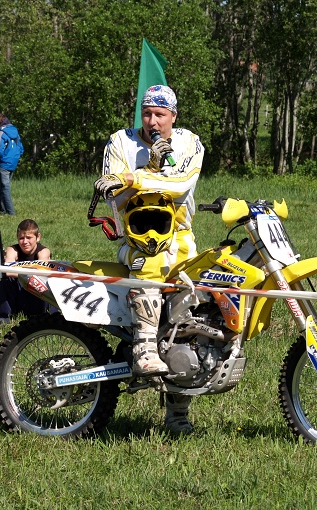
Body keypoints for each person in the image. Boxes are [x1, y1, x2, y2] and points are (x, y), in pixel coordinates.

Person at [94, 85, 204, 433]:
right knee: (151, 260)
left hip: (182, 240)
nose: (152, 121)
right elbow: (113, 196)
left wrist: (138, 173)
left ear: (173, 116)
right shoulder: (120, 142)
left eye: (160, 114)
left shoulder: (189, 143)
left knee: (189, 323)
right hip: (137, 238)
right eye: (146, 113)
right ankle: (143, 347)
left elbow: (181, 184)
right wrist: (142, 173)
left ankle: (177, 414)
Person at [0, 219, 51, 323]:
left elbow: (40, 273)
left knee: (44, 280)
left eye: (29, 238)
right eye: (21, 238)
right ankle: (4, 317)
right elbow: (7, 271)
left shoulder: (43, 251)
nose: (25, 242)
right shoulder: (13, 250)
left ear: (38, 237)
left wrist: (19, 271)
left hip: (37, 296)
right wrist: (30, 272)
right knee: (3, 278)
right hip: (19, 295)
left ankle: (42, 317)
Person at [0, 116, 24, 216]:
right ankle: (3, 210)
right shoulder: (15, 131)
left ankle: (10, 211)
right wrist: (15, 157)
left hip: (4, 162)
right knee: (2, 186)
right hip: (13, 162)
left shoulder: (1, 132)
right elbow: (21, 148)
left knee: (5, 188)